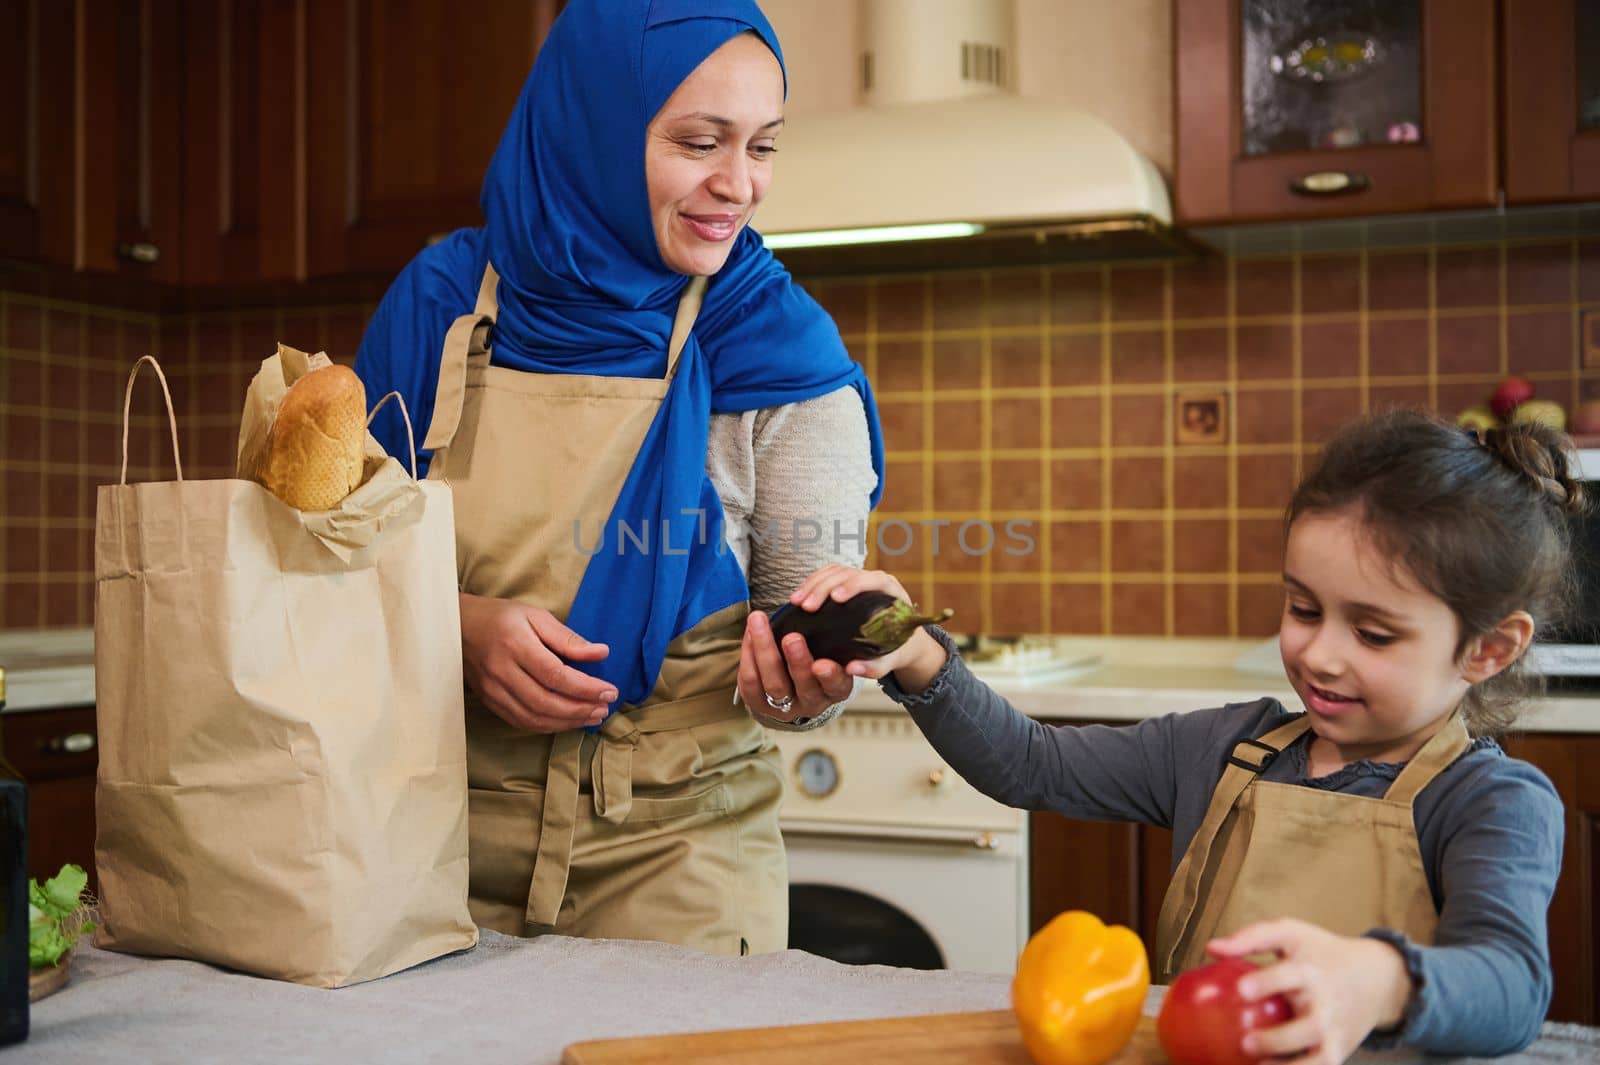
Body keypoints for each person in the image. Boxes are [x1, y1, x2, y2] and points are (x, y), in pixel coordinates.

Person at [791, 409, 1579, 1061]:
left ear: (1488, 648)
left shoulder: (1490, 800)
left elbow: (1509, 983)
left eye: (1372, 633)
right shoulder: (1222, 749)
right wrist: (920, 654)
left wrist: (1375, 979)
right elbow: (1032, 764)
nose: (1319, 652)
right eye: (1303, 609)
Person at [353, 0, 883, 955]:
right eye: (698, 141)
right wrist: (460, 629)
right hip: (416, 845)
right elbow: (322, 568)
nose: (739, 185)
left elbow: (796, 637)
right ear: (589, 125)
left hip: (680, 857)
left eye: (763, 147)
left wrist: (803, 680)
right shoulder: (435, 306)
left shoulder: (778, 348)